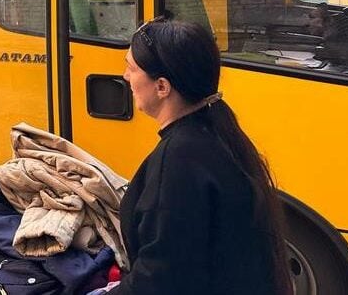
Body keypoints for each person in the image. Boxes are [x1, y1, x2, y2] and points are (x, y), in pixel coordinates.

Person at [109, 17, 291, 295]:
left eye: (131, 68)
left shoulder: (180, 159)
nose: (125, 77)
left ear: (162, 87)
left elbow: (161, 279)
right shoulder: (215, 135)